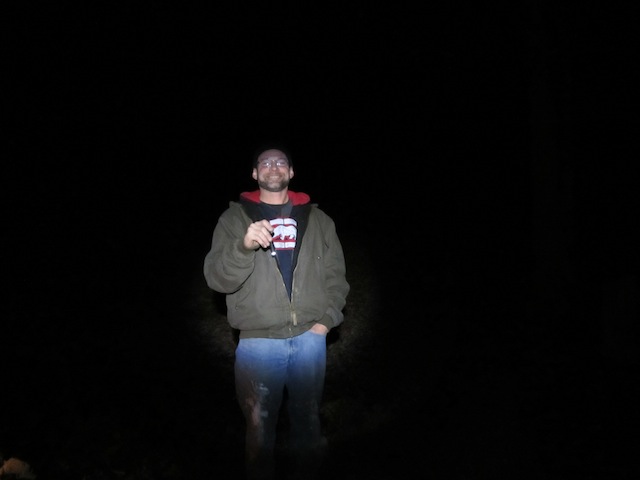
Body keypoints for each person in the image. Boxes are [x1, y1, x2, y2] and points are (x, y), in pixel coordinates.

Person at [203, 146, 350, 480]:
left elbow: (337, 276)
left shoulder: (319, 220)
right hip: (258, 343)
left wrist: (326, 322)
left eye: (281, 162)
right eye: (265, 162)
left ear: (291, 172)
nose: (273, 166)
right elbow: (217, 279)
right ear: (255, 173)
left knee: (308, 421)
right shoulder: (233, 220)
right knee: (258, 429)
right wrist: (243, 248)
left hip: (310, 339)